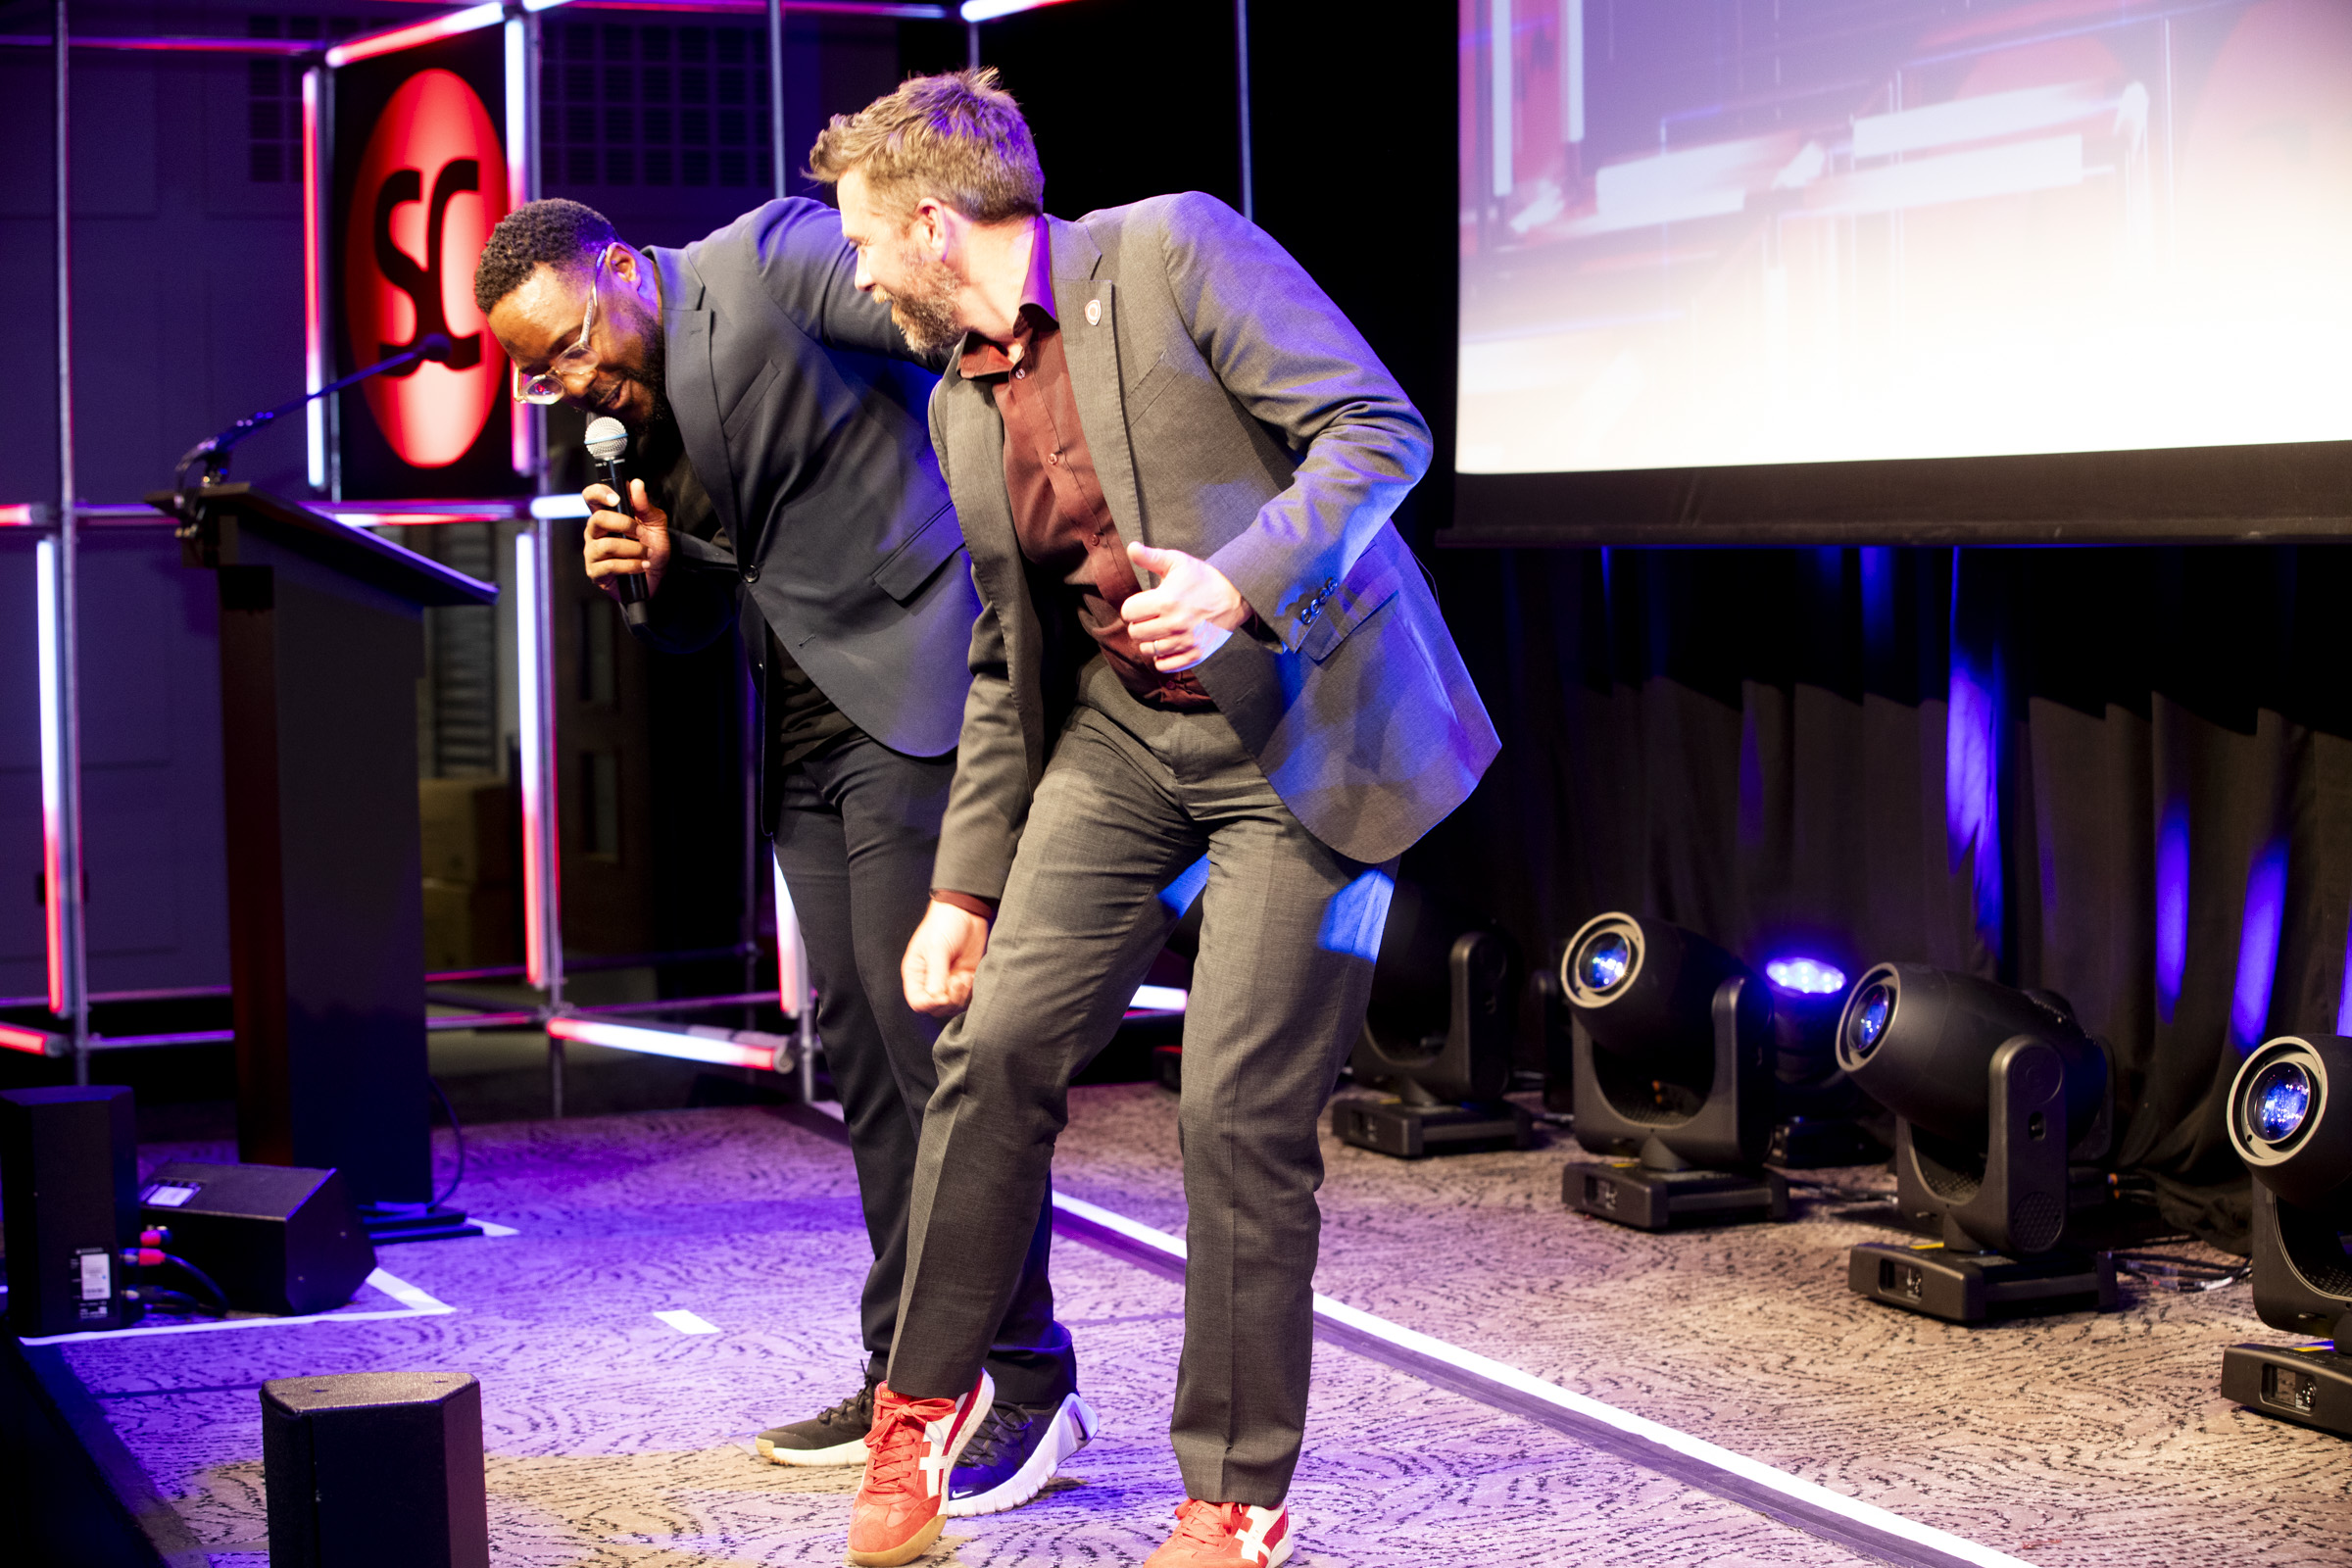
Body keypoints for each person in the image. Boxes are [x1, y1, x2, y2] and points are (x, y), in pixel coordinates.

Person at [806, 70, 1498, 1568]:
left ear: (931, 226)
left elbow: (1378, 430)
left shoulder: (1170, 247)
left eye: (862, 242)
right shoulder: (959, 403)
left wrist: (1240, 580)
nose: (856, 275)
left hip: (1313, 736)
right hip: (1125, 743)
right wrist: (965, 889)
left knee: (1235, 1114)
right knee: (990, 1051)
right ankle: (923, 1405)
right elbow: (1010, 655)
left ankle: (1235, 1498)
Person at [471, 196, 1095, 1517]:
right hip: (805, 730)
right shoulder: (621, 421)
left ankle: (1032, 1383)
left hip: (922, 690)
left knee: (939, 1057)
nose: (567, 382)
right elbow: (706, 611)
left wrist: (1010, 535)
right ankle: (911, 1375)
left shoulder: (765, 264)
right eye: (538, 376)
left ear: (624, 271)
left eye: (571, 346)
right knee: (863, 1059)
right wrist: (658, 570)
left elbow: (955, 327)